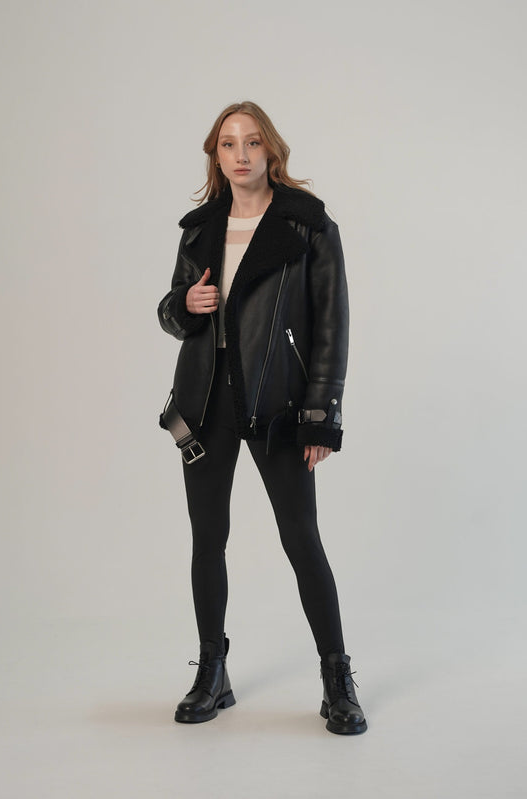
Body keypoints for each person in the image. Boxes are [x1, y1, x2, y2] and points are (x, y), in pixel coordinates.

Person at [158, 101, 367, 735]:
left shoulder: (308, 224)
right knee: (207, 539)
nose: (241, 154)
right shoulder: (199, 229)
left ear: (270, 150)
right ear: (216, 155)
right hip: (205, 404)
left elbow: (332, 325)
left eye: (252, 142)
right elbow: (171, 316)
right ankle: (212, 672)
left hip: (277, 406)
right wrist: (185, 303)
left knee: (301, 538)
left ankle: (337, 678)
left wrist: (320, 416)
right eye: (228, 144)